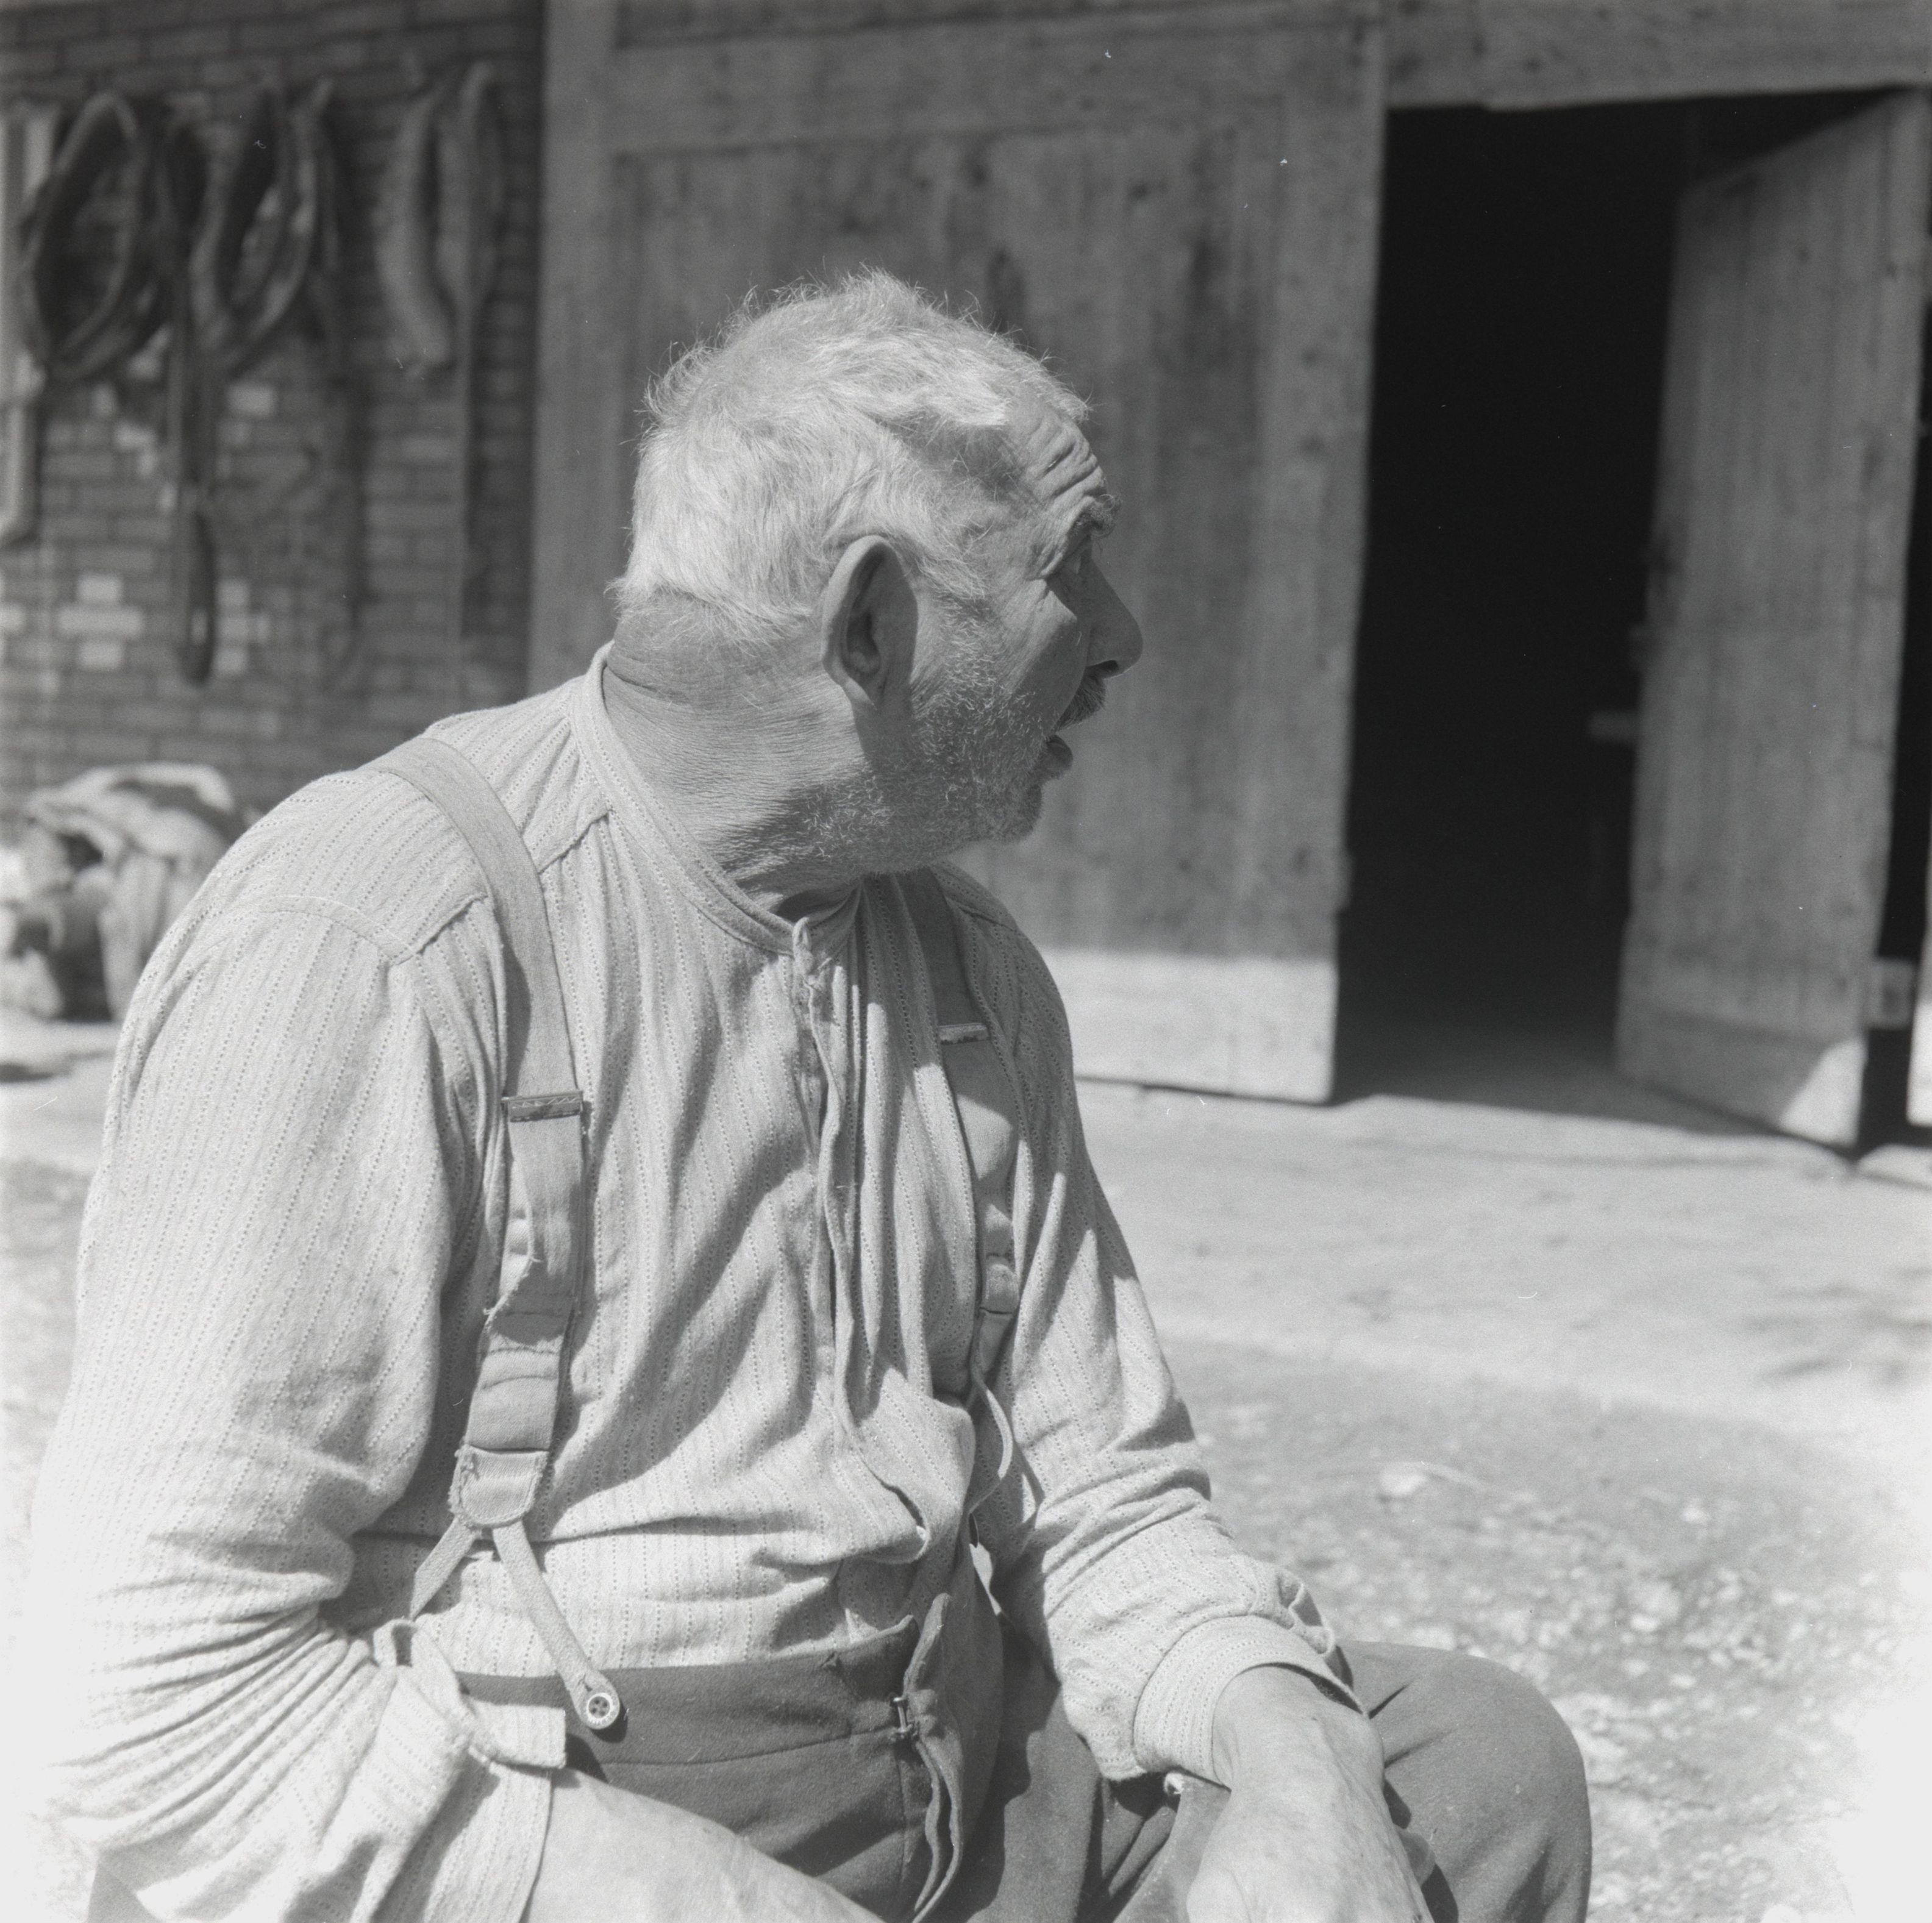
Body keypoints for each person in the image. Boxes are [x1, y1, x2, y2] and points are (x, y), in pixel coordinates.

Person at [29, 273, 1589, 1923]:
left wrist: (1302, 1760)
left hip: (946, 1772)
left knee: (1473, 1775)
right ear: (869, 625)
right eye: (1071, 569)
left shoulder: (970, 966)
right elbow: (152, 1694)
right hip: (556, 1828)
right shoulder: (373, 937)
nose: (1122, 636)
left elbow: (1105, 1499)